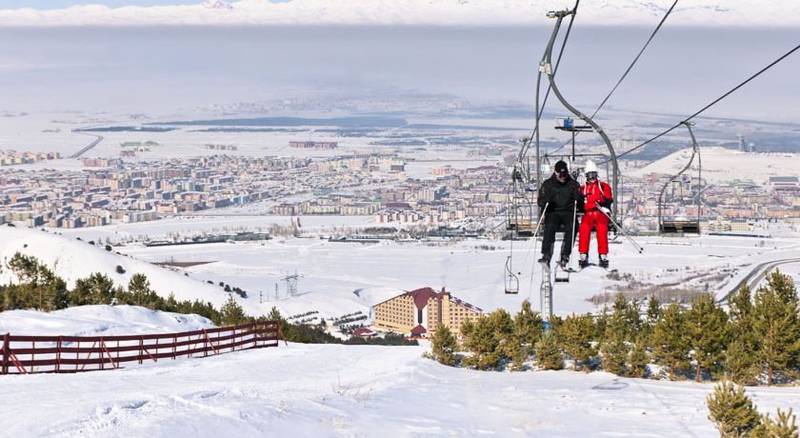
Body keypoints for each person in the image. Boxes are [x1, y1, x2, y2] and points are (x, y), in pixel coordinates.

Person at [537, 160, 583, 268]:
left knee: (572, 227)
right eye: (560, 174)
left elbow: (580, 202)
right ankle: (546, 254)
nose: (562, 177)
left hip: (568, 212)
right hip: (553, 211)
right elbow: (540, 201)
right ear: (556, 173)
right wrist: (546, 200)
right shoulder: (548, 184)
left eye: (564, 174)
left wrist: (578, 198)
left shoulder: (573, 184)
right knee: (550, 227)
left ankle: (565, 255)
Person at [578, 160, 614, 268]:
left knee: (602, 229)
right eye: (589, 175)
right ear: (586, 176)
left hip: (600, 212)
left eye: (593, 174)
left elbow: (608, 198)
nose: (592, 177)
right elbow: (580, 200)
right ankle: (583, 254)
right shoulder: (583, 188)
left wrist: (601, 201)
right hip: (588, 213)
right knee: (584, 229)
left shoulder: (602, 186)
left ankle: (602, 254)